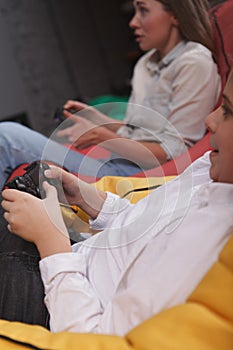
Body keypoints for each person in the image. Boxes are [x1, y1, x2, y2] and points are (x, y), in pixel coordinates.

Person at [0, 66, 233, 335]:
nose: (210, 120)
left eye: (226, 110)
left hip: (60, 304)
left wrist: (51, 241)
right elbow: (150, 225)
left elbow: (89, 337)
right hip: (74, 265)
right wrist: (93, 201)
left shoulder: (211, 250)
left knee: (7, 139)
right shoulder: (211, 169)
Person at [0, 0, 221, 189]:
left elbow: (176, 153)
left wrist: (104, 136)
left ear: (175, 14)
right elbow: (139, 131)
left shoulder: (194, 62)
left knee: (6, 136)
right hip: (118, 163)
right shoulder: (146, 63)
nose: (133, 22)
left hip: (135, 176)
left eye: (143, 10)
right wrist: (98, 120)